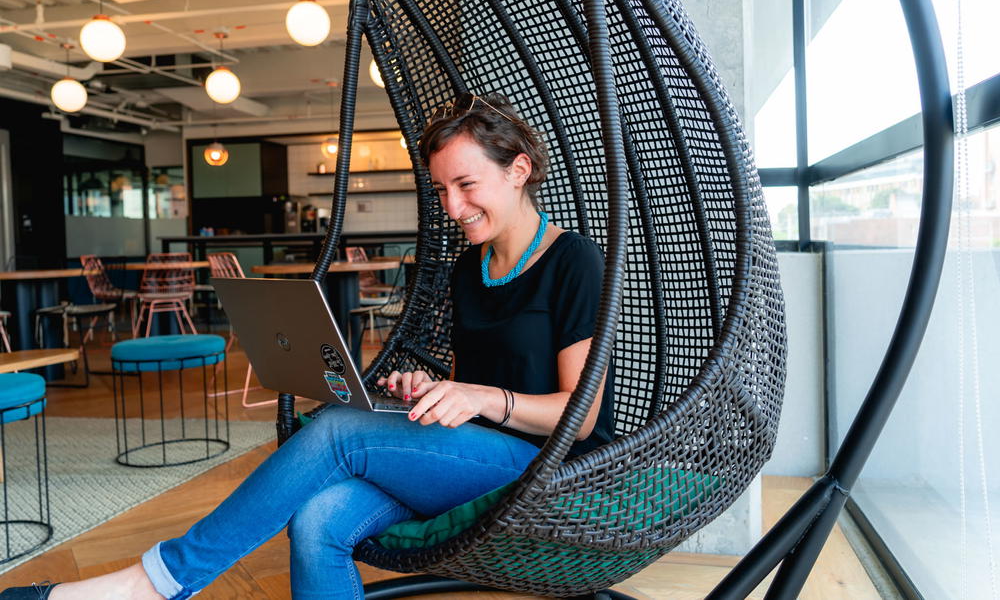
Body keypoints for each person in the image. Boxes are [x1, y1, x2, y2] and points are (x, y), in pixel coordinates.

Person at [4, 93, 614, 600]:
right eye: (441, 189)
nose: (452, 207)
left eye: (466, 184)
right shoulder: (466, 268)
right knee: (317, 520)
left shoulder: (573, 262)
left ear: (519, 170)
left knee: (341, 429)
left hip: (545, 470)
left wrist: (482, 397)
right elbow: (464, 379)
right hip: (464, 460)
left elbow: (580, 416)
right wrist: (433, 391)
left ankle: (155, 582)